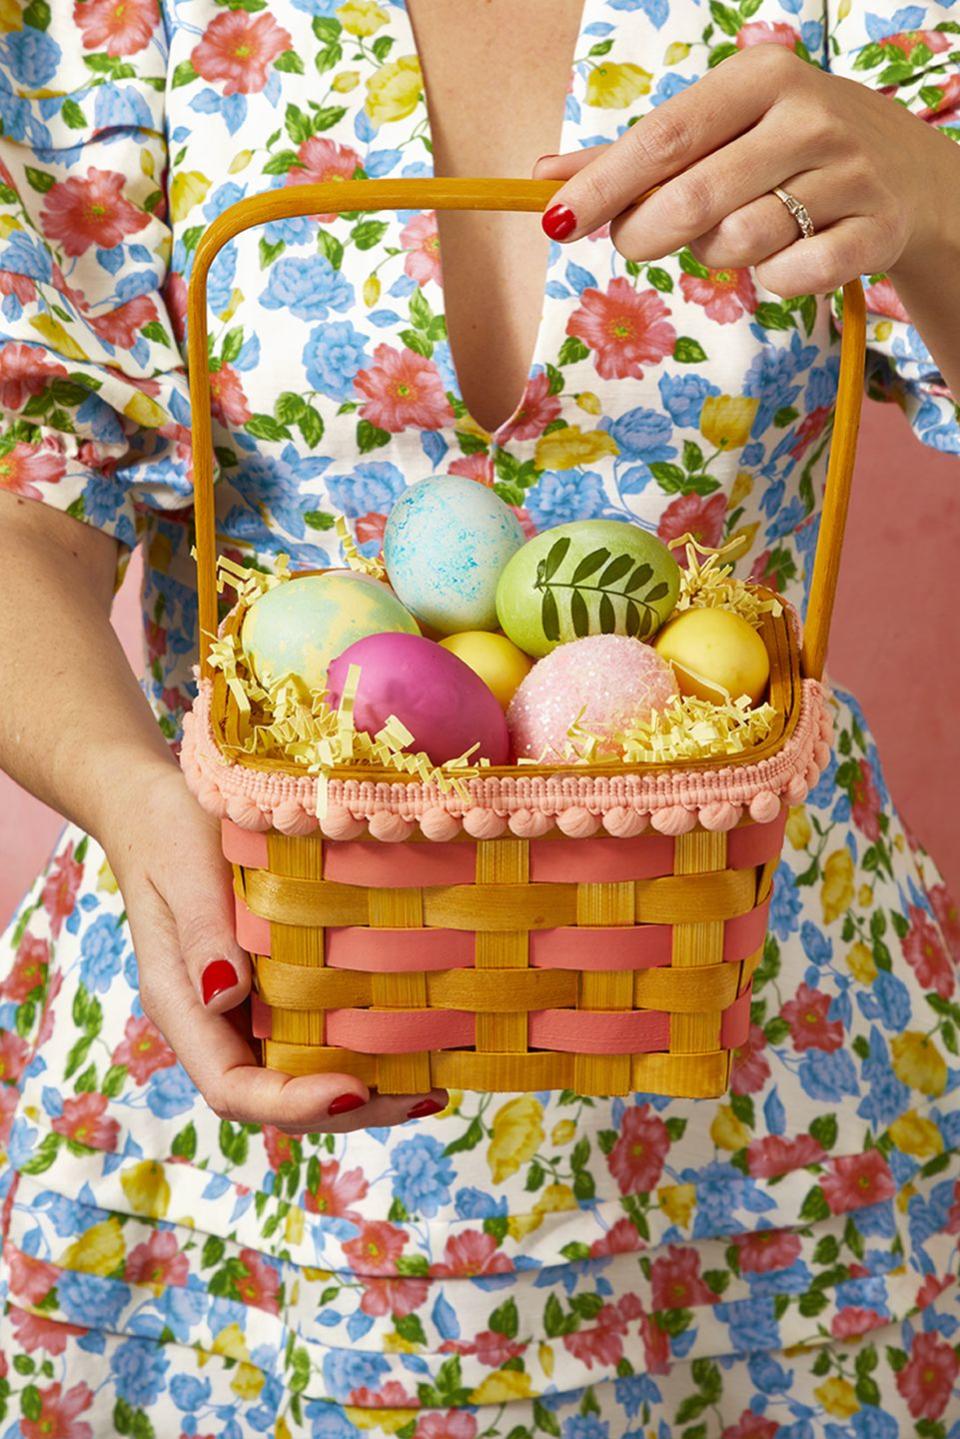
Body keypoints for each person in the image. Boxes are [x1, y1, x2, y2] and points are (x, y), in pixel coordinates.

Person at [0, 0, 958, 1433]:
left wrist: (942, 210)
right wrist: (140, 806)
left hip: (761, 1039)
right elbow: (22, 500)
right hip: (269, 974)